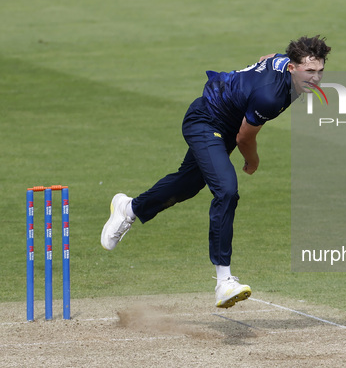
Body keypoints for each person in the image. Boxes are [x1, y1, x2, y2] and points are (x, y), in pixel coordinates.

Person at [101, 35, 331, 308]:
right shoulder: (270, 96)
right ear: (293, 68)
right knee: (227, 190)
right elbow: (245, 138)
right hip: (206, 120)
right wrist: (253, 161)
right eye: (309, 71)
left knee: (188, 184)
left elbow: (266, 58)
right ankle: (224, 281)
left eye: (320, 71)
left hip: (222, 124)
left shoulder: (285, 65)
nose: (316, 79)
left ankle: (129, 209)